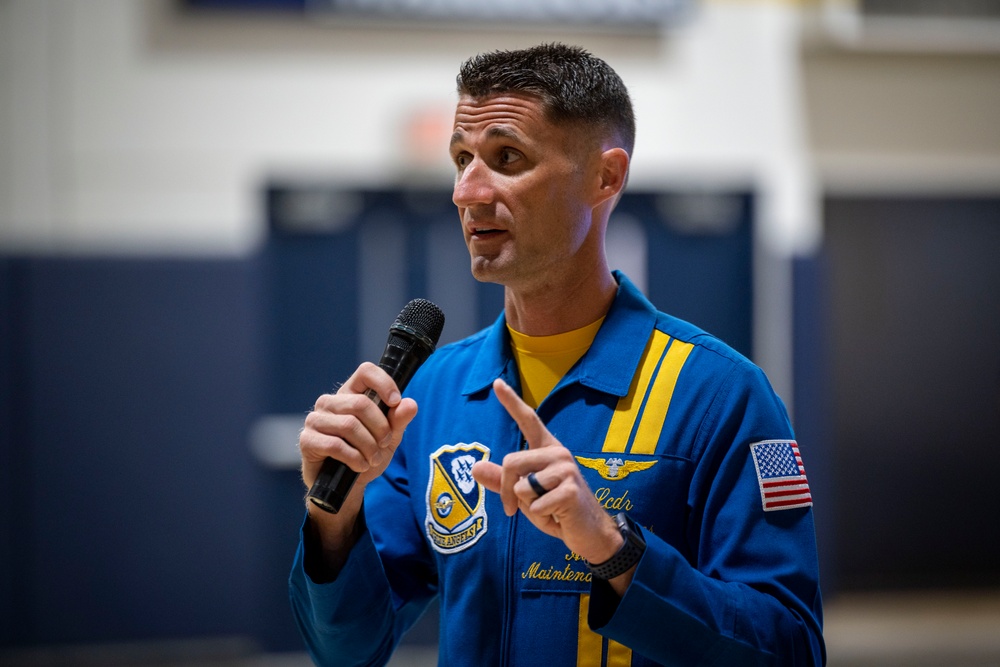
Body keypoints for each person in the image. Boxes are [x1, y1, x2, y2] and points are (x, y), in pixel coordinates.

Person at [290, 43, 825, 666]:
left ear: (606, 176)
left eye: (506, 157)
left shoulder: (720, 396)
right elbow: (348, 650)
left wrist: (614, 551)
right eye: (462, 159)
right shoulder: (433, 392)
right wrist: (335, 515)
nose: (467, 191)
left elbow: (790, 651)